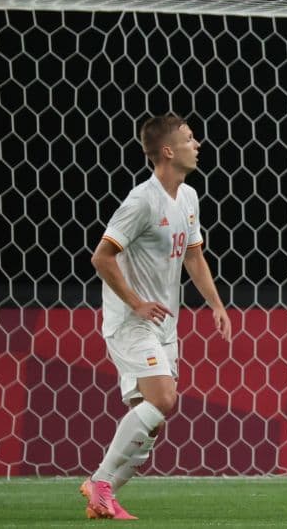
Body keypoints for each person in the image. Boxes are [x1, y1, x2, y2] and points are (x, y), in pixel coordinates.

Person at [80, 113, 232, 519]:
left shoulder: (188, 197)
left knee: (153, 419)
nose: (197, 144)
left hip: (164, 325)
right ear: (167, 151)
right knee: (163, 398)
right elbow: (101, 257)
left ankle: (103, 494)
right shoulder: (141, 201)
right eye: (189, 138)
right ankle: (100, 482)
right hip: (132, 322)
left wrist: (216, 304)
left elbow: (194, 256)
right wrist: (135, 302)